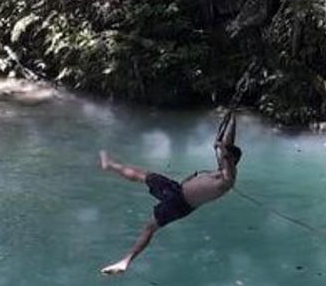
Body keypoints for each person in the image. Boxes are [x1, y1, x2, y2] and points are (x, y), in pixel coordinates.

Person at [99, 111, 242, 275]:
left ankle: (125, 262)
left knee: (149, 228)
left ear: (231, 160)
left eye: (225, 156)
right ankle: (110, 165)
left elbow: (227, 146)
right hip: (176, 190)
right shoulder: (219, 171)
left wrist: (226, 141)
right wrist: (232, 119)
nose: (221, 156)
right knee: (144, 175)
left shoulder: (228, 178)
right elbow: (227, 145)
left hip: (179, 204)